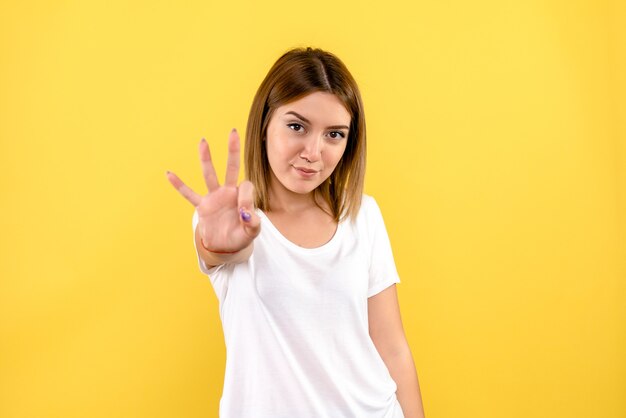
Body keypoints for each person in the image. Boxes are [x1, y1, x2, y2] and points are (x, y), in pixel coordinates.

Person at [166, 47, 425, 418]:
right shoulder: (230, 221)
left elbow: (392, 346)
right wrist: (220, 244)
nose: (313, 152)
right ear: (264, 124)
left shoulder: (363, 216)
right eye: (297, 126)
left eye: (334, 134)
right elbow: (220, 249)